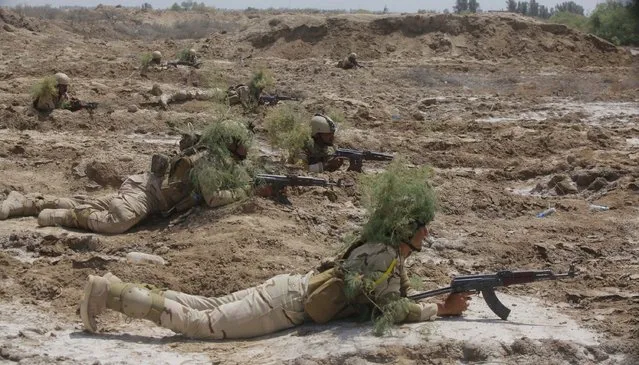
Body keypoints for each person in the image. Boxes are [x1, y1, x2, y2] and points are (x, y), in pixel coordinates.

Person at [79, 163, 471, 339]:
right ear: (406, 229)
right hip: (284, 306)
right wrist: (441, 309)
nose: (428, 231)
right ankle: (108, 294)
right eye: (423, 225)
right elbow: (392, 310)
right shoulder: (384, 256)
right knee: (203, 325)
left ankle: (114, 286)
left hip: (287, 291)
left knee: (204, 304)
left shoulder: (384, 249)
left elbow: (391, 296)